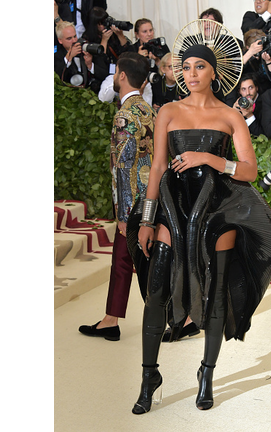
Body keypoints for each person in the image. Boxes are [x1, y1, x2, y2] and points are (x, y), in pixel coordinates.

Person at [126, 38, 271, 414]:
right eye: (186, 67)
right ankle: (150, 375)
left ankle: (207, 372)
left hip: (219, 206)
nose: (191, 73)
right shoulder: (168, 111)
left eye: (199, 66)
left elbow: (249, 170)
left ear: (214, 71)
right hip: (172, 205)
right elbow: (159, 167)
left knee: (216, 295)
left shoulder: (230, 116)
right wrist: (147, 219)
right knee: (157, 290)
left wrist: (209, 157)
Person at [78, 52, 156, 341]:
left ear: (121, 76)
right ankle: (111, 319)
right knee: (127, 259)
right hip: (152, 199)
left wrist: (123, 216)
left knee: (137, 261)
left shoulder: (124, 115)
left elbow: (121, 169)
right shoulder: (150, 110)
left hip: (133, 204)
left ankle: (176, 317)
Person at [54, 21, 108, 91]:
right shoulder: (56, 57)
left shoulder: (86, 49)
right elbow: (57, 79)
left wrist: (90, 65)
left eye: (75, 36)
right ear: (60, 40)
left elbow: (105, 74)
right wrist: (68, 58)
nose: (74, 41)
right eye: (69, 38)